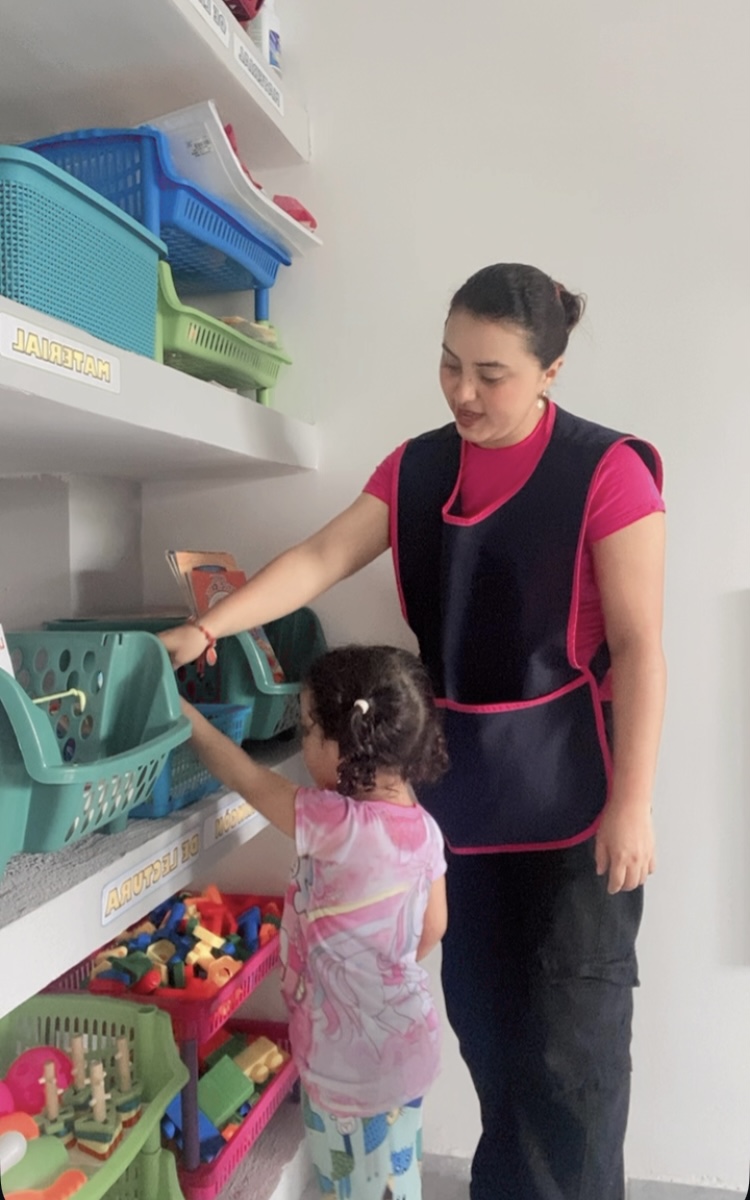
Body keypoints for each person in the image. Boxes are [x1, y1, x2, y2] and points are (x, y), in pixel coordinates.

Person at [161, 263, 666, 1199]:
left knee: (573, 1060)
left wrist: (633, 804)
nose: (462, 392)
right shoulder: (420, 468)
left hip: (578, 812)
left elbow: (639, 649)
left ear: (551, 372)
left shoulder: (609, 472)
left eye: (491, 374)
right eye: (449, 364)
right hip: (458, 805)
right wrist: (208, 626)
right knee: (489, 1035)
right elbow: (322, 555)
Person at [182, 644, 449, 1200]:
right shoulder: (424, 829)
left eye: (307, 731)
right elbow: (434, 927)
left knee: (353, 1184)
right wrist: (376, 968)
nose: (302, 746)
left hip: (349, 1068)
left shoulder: (335, 823)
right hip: (402, 1045)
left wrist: (182, 713)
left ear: (347, 744)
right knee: (388, 1181)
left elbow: (249, 779)